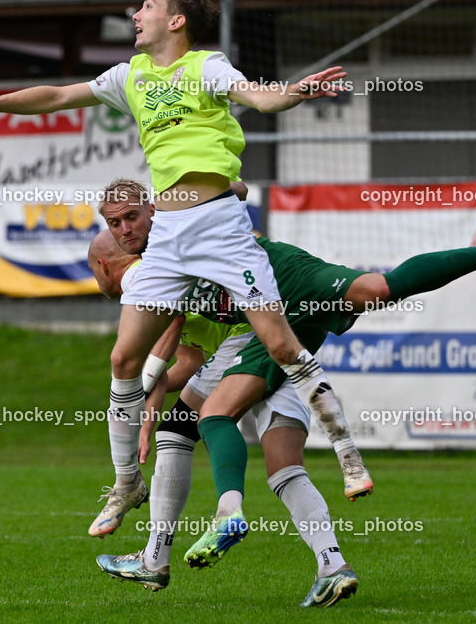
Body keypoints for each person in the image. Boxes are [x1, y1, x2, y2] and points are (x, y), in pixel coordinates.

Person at [0, 0, 366, 539]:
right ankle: (127, 483)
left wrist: (292, 93)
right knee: (124, 359)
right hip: (169, 233)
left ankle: (345, 449)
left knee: (281, 345)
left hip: (219, 226)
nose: (136, 13)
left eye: (148, 5)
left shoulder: (206, 66)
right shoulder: (129, 76)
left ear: (176, 21)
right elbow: (55, 96)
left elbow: (256, 95)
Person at [89, 181, 476, 570]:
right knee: (223, 428)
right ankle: (326, 547)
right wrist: (150, 399)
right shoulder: (157, 269)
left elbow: (235, 188)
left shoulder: (149, 258)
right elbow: (173, 341)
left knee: (374, 289)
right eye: (115, 223)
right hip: (258, 329)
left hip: (277, 284)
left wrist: (202, 194)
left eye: (132, 217)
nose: (126, 228)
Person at [88, 230, 359, 607]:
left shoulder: (148, 279)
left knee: (176, 433)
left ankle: (161, 554)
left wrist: (143, 416)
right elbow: (190, 362)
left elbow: (165, 337)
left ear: (102, 265)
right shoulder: (174, 267)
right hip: (268, 349)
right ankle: (333, 567)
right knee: (284, 467)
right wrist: (152, 394)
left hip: (249, 345)